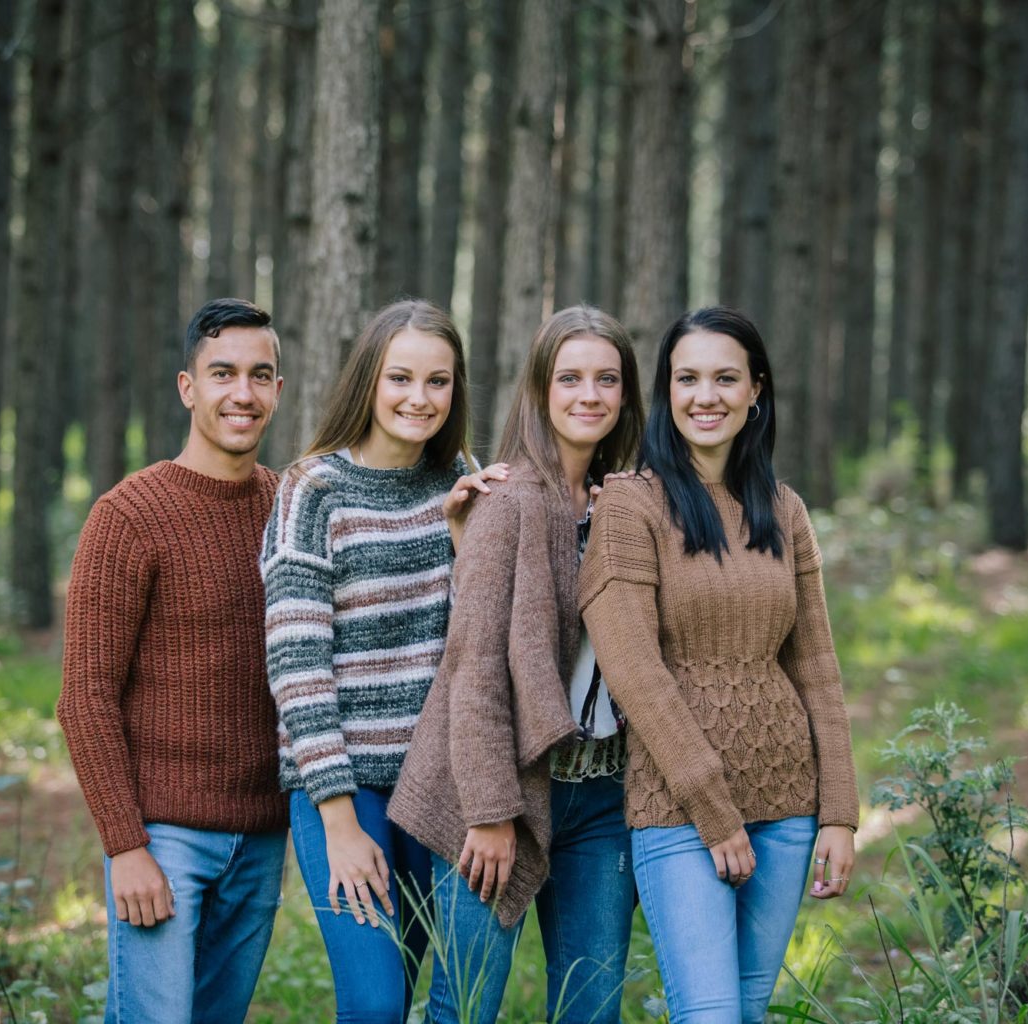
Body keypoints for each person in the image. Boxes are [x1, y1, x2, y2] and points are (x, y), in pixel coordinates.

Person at [578, 307, 860, 1024]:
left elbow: (818, 666)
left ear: (755, 390)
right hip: (677, 809)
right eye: (688, 379)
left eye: (726, 378)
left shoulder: (784, 509)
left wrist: (840, 815)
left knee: (748, 1011)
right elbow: (635, 671)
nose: (707, 396)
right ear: (667, 393)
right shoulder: (631, 506)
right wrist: (711, 808)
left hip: (787, 804)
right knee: (710, 1015)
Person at [389, 306, 645, 1023]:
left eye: (606, 379)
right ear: (540, 389)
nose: (589, 394)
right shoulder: (509, 503)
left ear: (626, 395)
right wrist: (492, 812)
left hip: (602, 795)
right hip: (497, 792)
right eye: (570, 378)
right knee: (468, 1006)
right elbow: (473, 672)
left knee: (590, 1006)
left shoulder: (626, 507)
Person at [262, 299, 504, 1023]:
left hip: (440, 784)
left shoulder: (459, 483)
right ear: (369, 380)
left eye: (438, 382)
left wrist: (466, 543)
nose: (419, 398)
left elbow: (480, 649)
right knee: (375, 1001)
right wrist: (340, 823)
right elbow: (297, 662)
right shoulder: (313, 490)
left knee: (449, 995)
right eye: (401, 378)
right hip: (345, 787)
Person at [57, 298, 289, 1023]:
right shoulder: (129, 515)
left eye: (260, 375)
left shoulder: (290, 505)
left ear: (279, 389)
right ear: (188, 388)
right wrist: (126, 846)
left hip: (261, 836)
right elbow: (85, 695)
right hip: (164, 839)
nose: (242, 393)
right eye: (222, 373)